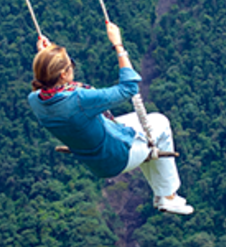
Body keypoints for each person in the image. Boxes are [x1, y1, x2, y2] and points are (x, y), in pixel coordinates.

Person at [28, 22, 192, 215]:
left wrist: (45, 55)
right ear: (63, 74)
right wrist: (118, 46)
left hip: (96, 159)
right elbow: (129, 88)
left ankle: (160, 190)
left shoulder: (36, 99)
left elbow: (47, 82)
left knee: (147, 120)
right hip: (116, 157)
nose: (73, 67)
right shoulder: (79, 99)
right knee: (161, 124)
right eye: (70, 65)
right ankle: (167, 196)